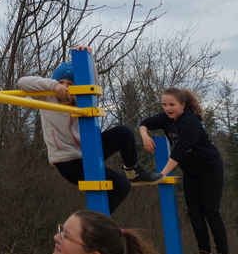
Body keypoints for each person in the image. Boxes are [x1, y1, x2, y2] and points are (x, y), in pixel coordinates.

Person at [18, 48, 161, 214]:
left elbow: (92, 85)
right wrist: (53, 85)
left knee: (123, 133)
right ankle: (90, 224)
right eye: (61, 83)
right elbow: (22, 82)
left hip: (87, 151)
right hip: (69, 162)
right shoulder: (46, 98)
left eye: (70, 85)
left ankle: (133, 170)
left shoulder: (80, 100)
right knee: (121, 186)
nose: (65, 88)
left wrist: (89, 58)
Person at [139, 87, 234, 254]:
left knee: (211, 212)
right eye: (164, 104)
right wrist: (145, 137)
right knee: (194, 214)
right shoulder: (166, 119)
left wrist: (161, 174)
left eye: (172, 104)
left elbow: (179, 151)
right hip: (191, 171)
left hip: (210, 169)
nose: (168, 108)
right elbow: (144, 123)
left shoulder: (190, 122)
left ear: (182, 105)